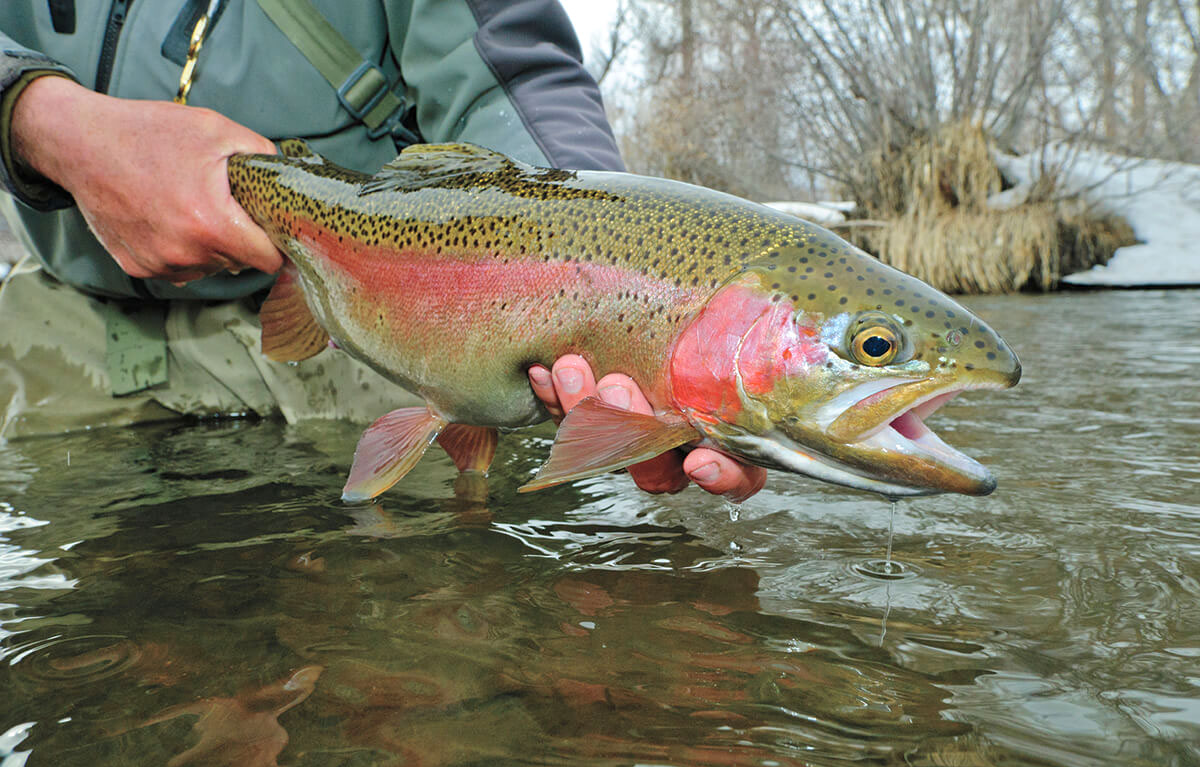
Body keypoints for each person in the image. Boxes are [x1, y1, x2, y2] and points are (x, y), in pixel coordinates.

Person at [0, 0, 764, 501]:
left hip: (378, 322)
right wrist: (41, 118)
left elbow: (509, 71)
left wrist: (599, 278)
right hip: (67, 324)